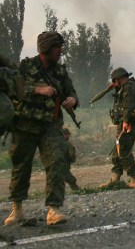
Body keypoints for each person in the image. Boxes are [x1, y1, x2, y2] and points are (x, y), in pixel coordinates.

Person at [5, 31, 79, 226]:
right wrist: (38, 89)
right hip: (25, 125)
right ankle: (17, 209)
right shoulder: (25, 66)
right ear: (45, 48)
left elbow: (71, 92)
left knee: (57, 160)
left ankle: (53, 210)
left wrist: (73, 99)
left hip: (50, 125)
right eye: (57, 46)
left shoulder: (60, 71)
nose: (60, 50)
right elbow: (13, 87)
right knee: (21, 166)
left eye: (60, 46)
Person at [100, 67, 135, 189]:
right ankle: (115, 178)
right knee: (117, 151)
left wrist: (125, 121)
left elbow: (129, 105)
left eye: (115, 81)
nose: (114, 84)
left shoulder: (129, 86)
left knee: (123, 150)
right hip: (124, 123)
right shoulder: (124, 87)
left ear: (118, 79)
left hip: (129, 124)